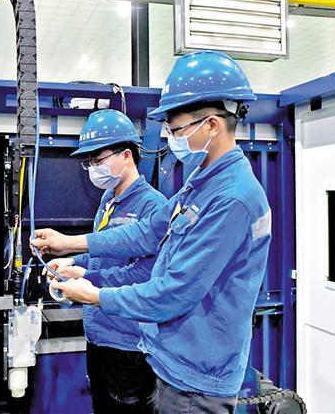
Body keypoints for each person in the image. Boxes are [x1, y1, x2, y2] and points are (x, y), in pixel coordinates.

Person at [34, 51, 272, 414]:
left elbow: (175, 292)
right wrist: (73, 250)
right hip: (170, 359)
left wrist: (96, 295)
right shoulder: (201, 182)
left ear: (211, 125)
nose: (171, 138)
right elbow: (147, 233)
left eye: (176, 130)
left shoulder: (232, 198)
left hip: (197, 376)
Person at [49, 109, 166, 414]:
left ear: (126, 156)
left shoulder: (153, 207)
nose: (93, 169)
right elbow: (102, 251)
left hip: (129, 343)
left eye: (98, 160)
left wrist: (87, 279)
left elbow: (146, 275)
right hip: (98, 335)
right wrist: (72, 262)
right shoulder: (108, 200)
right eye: (89, 162)